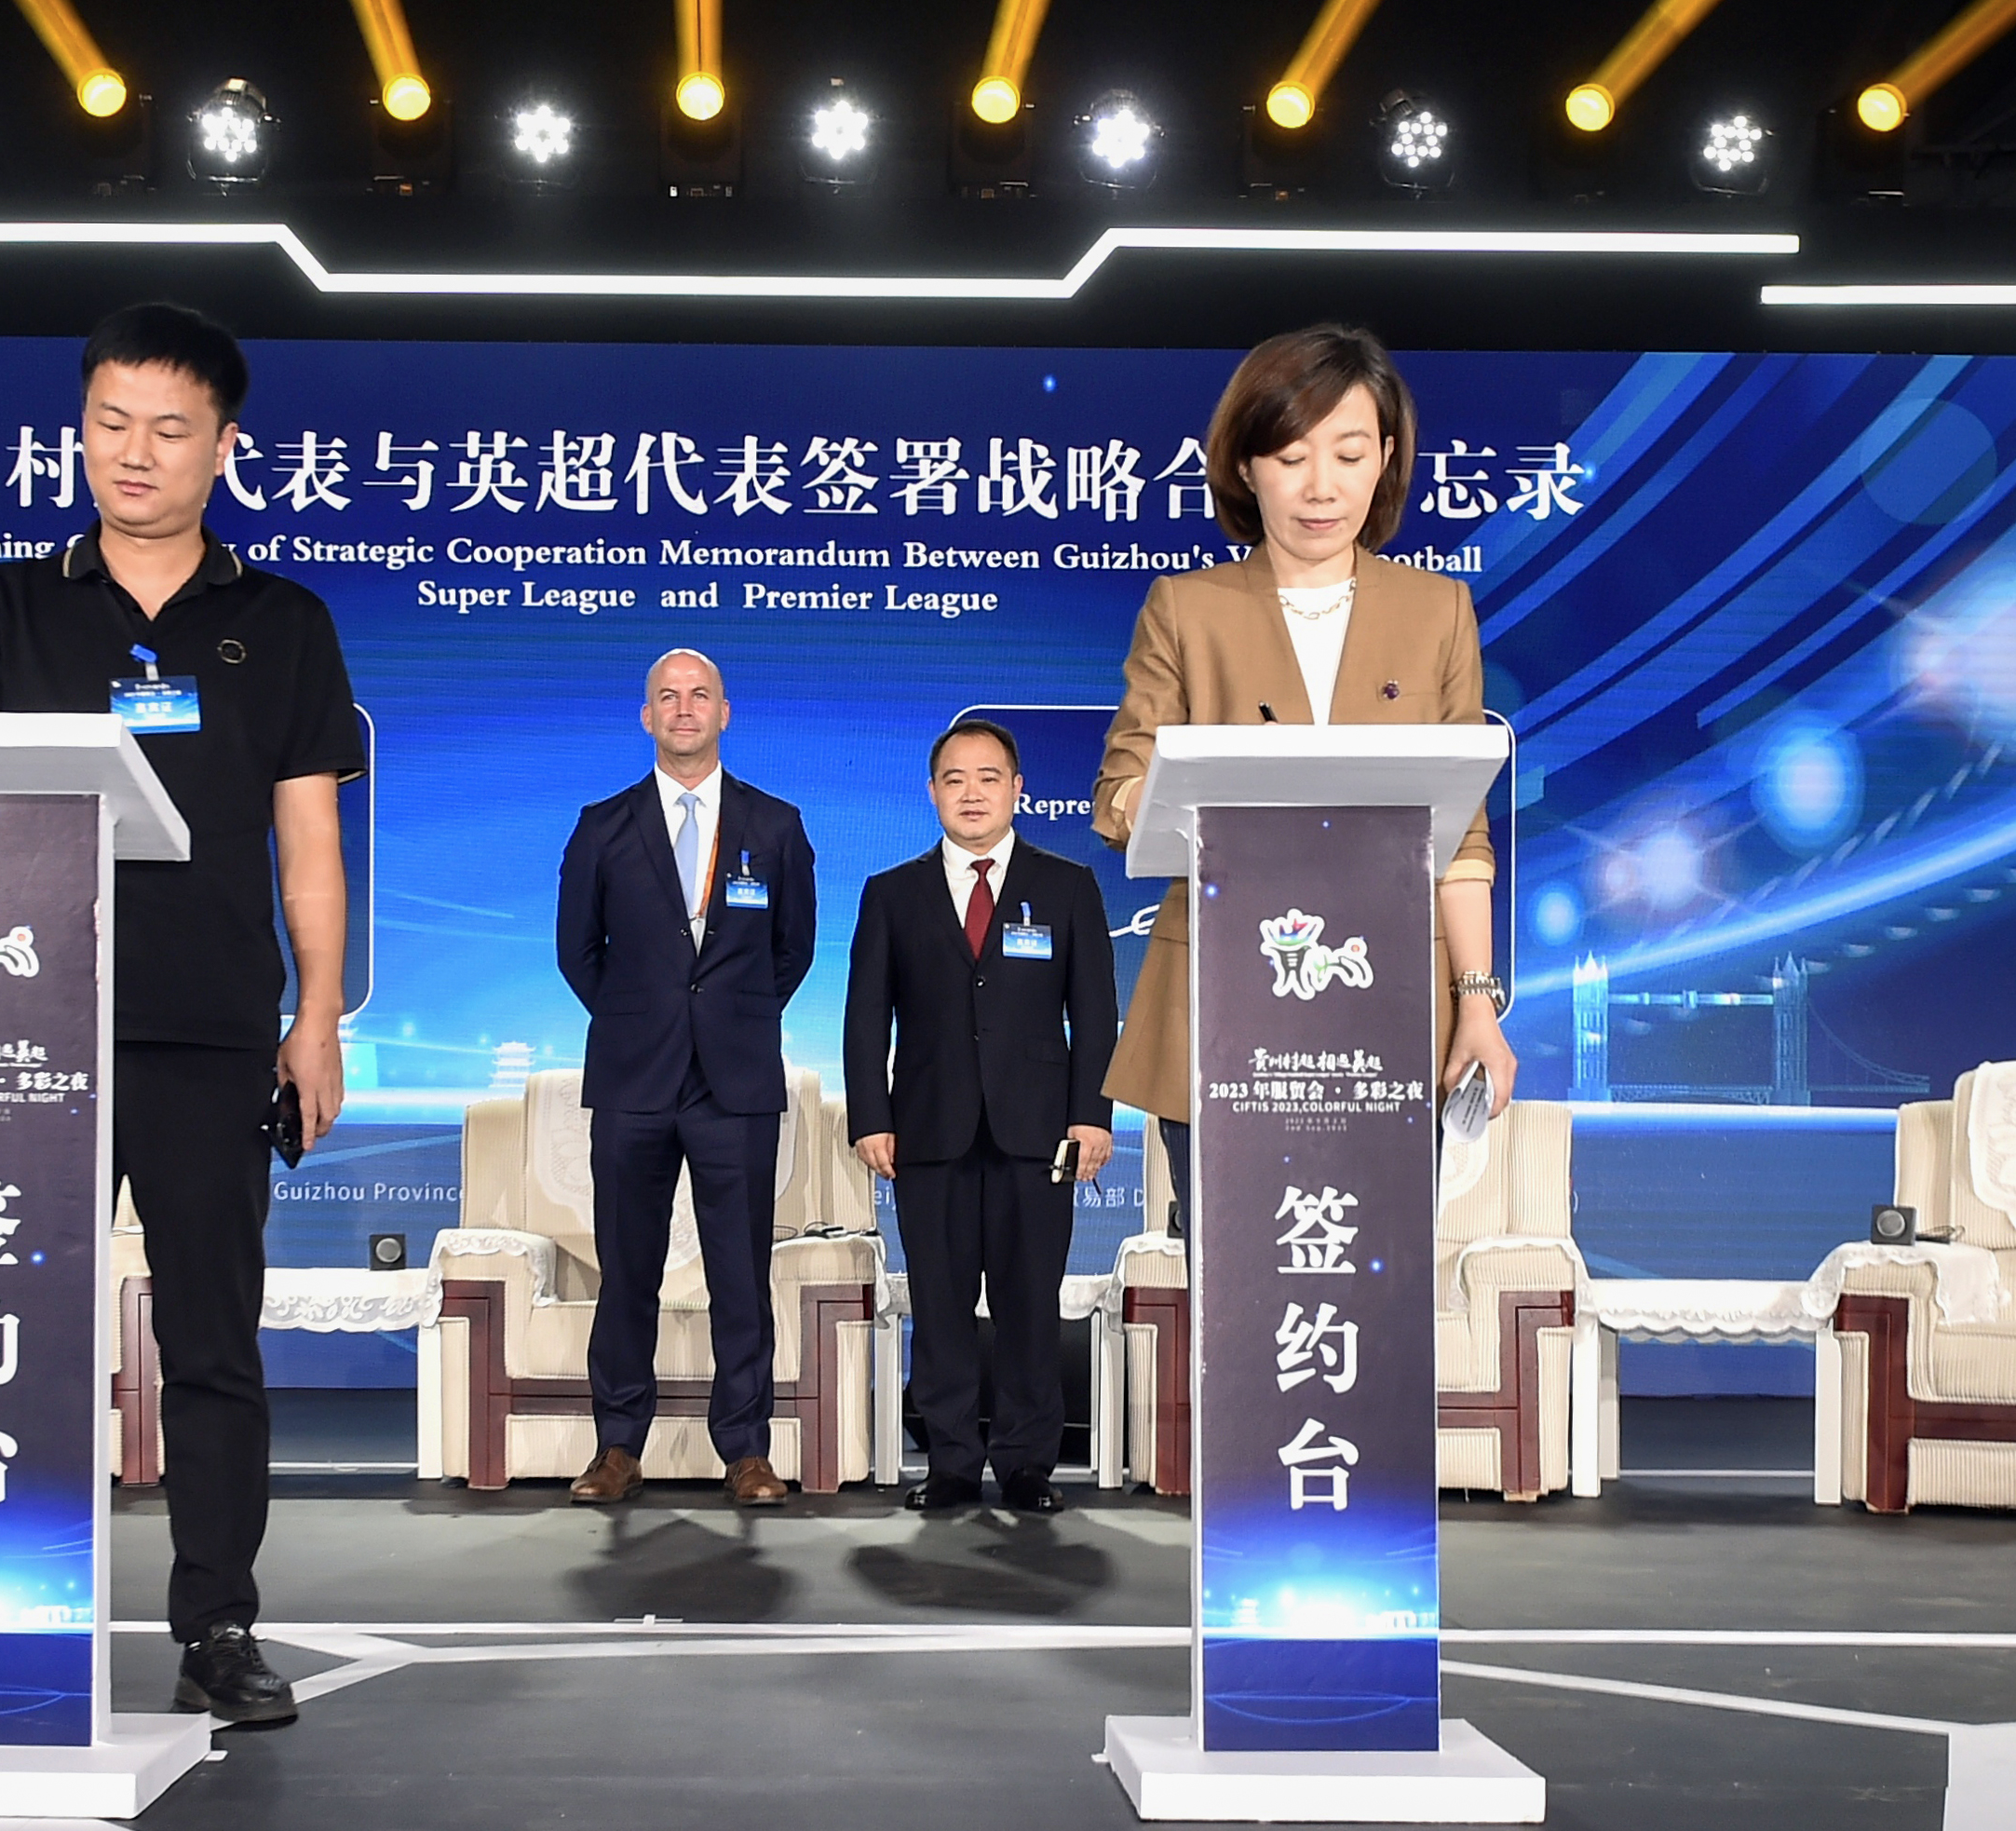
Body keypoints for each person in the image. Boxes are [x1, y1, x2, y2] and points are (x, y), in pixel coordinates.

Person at [0, 302, 364, 1729]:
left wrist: (317, 1015)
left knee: (213, 1342)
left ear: (223, 448)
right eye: (110, 422)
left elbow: (308, 842)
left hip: (210, 1031)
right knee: (3, 1324)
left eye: (168, 429)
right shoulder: (8, 605)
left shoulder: (280, 622)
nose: (134, 451)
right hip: (22, 1027)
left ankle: (217, 1621)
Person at [1091, 323, 1515, 1214]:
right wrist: (1171, 793)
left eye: (1349, 455)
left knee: (1377, 1266)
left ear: (1386, 460)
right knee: (1237, 1276)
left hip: (1391, 1005)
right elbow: (1121, 789)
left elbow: (1461, 836)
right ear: (1246, 468)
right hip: (1224, 1004)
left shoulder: (1438, 610)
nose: (1322, 486)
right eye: (1291, 456)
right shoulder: (1187, 608)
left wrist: (1477, 1002)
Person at [554, 649, 818, 1508]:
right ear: (646, 716)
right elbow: (577, 952)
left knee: (740, 1274)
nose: (683, 708)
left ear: (724, 712)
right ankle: (617, 1446)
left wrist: (729, 1018)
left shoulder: (776, 825)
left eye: (699, 695)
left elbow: (793, 950)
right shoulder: (602, 825)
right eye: (666, 696)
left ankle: (745, 1450)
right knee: (627, 1270)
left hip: (734, 1083)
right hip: (633, 1079)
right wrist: (645, 1019)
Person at [844, 719, 1117, 1514]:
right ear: (933, 792)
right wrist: (870, 1115)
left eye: (989, 777)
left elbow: (1094, 1014)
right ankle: (952, 1461)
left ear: (1017, 790)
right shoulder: (891, 893)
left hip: (1040, 1134)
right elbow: (866, 1017)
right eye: (955, 779)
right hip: (928, 1129)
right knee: (941, 1303)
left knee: (1031, 1303)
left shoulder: (1067, 886)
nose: (972, 793)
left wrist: (1091, 1114)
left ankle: (1027, 1463)